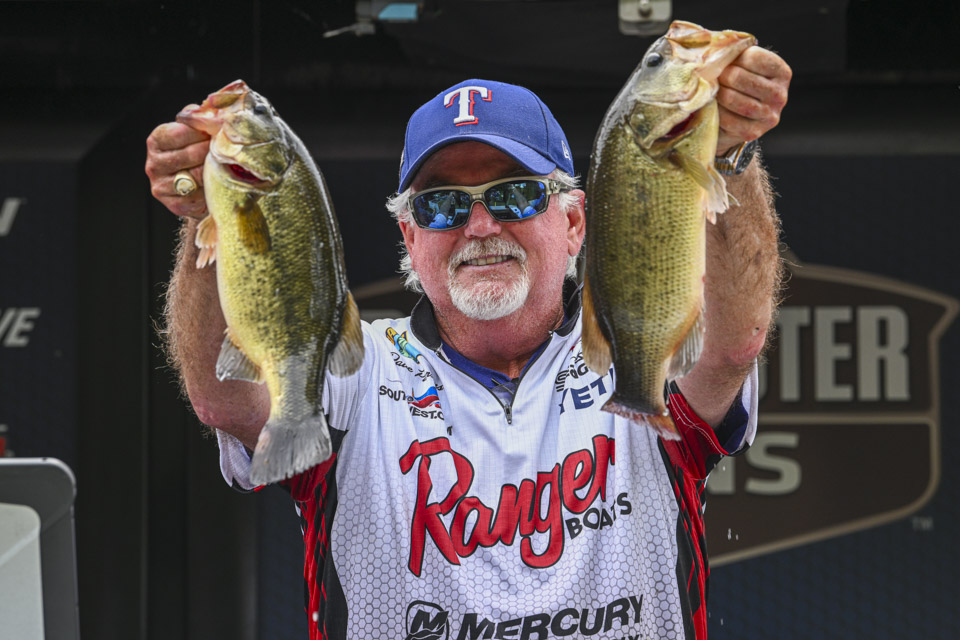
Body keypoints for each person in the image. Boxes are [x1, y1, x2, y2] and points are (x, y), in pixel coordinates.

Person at [145, 45, 790, 640]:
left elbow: (734, 346)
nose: (479, 226)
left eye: (513, 195)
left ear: (572, 222)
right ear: (410, 238)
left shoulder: (637, 346)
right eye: (442, 206)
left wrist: (728, 157)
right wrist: (211, 213)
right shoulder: (356, 373)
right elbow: (223, 399)